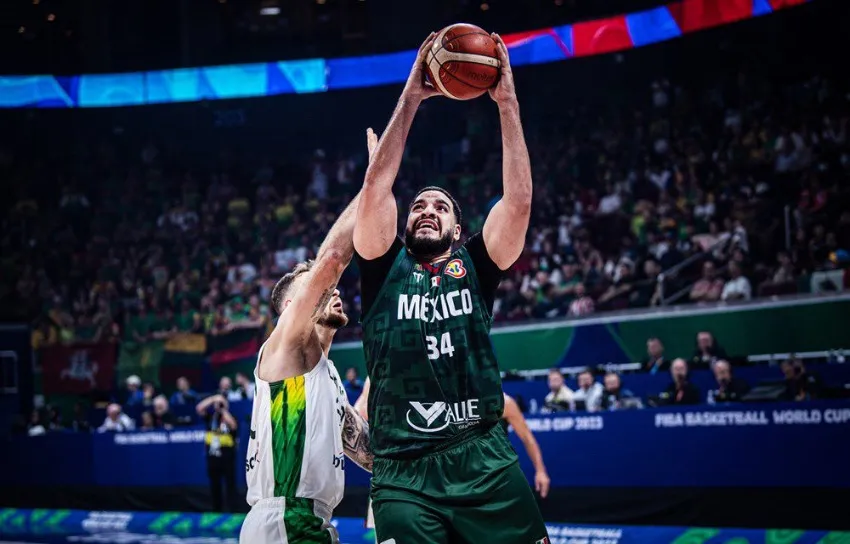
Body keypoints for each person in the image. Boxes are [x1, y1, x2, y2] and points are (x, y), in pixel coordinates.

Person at [352, 33, 547, 544]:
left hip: (483, 457)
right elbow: (376, 191)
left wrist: (507, 103)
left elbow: (519, 202)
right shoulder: (382, 266)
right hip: (402, 471)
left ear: (459, 231)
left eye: (440, 207)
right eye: (418, 205)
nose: (426, 211)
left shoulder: (477, 266)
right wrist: (412, 95)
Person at [239, 130, 376, 544]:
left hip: (310, 522)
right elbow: (334, 259)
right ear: (290, 310)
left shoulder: (324, 377)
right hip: (285, 520)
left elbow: (369, 454)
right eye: (312, 286)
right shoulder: (283, 350)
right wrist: (373, 183)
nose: (331, 289)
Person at [353, 381, 551, 539]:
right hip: (410, 476)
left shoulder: (502, 402)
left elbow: (527, 437)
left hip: (485, 475)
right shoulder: (416, 390)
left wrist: (540, 470)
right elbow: (360, 412)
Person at [196, 393, 238, 512]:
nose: (218, 405)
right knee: (215, 485)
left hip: (227, 457)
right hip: (213, 457)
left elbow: (233, 425)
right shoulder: (211, 417)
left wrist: (223, 409)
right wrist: (213, 398)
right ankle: (216, 510)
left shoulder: (230, 415)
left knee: (230, 485)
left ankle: (232, 510)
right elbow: (199, 408)